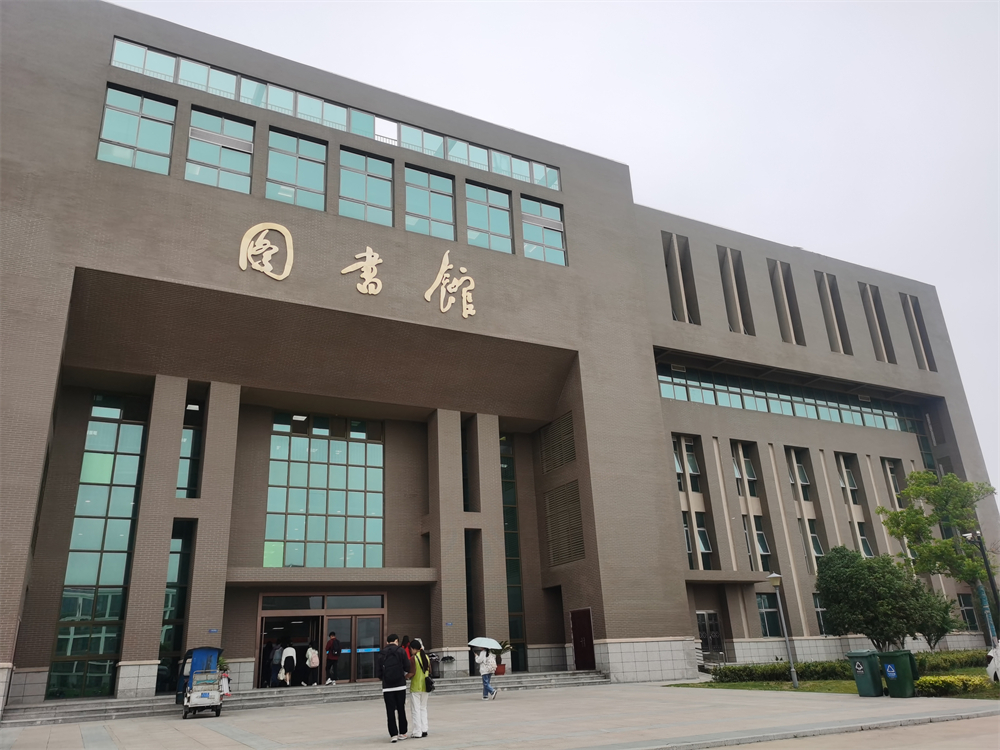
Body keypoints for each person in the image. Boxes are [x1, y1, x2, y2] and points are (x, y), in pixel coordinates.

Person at [376, 633, 411, 743]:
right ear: (396, 641)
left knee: (390, 711)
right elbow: (407, 667)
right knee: (401, 709)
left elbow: (378, 672)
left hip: (387, 687)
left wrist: (385, 678)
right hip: (400, 685)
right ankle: (403, 732)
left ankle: (393, 735)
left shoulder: (381, 653)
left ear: (387, 642)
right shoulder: (401, 651)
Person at [407, 638, 430, 739]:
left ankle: (417, 732)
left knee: (415, 710)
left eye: (411, 649)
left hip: (416, 687)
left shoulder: (414, 658)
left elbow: (412, 673)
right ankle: (424, 729)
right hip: (425, 687)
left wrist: (405, 676)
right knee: (423, 708)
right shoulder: (426, 657)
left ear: (413, 649)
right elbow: (429, 670)